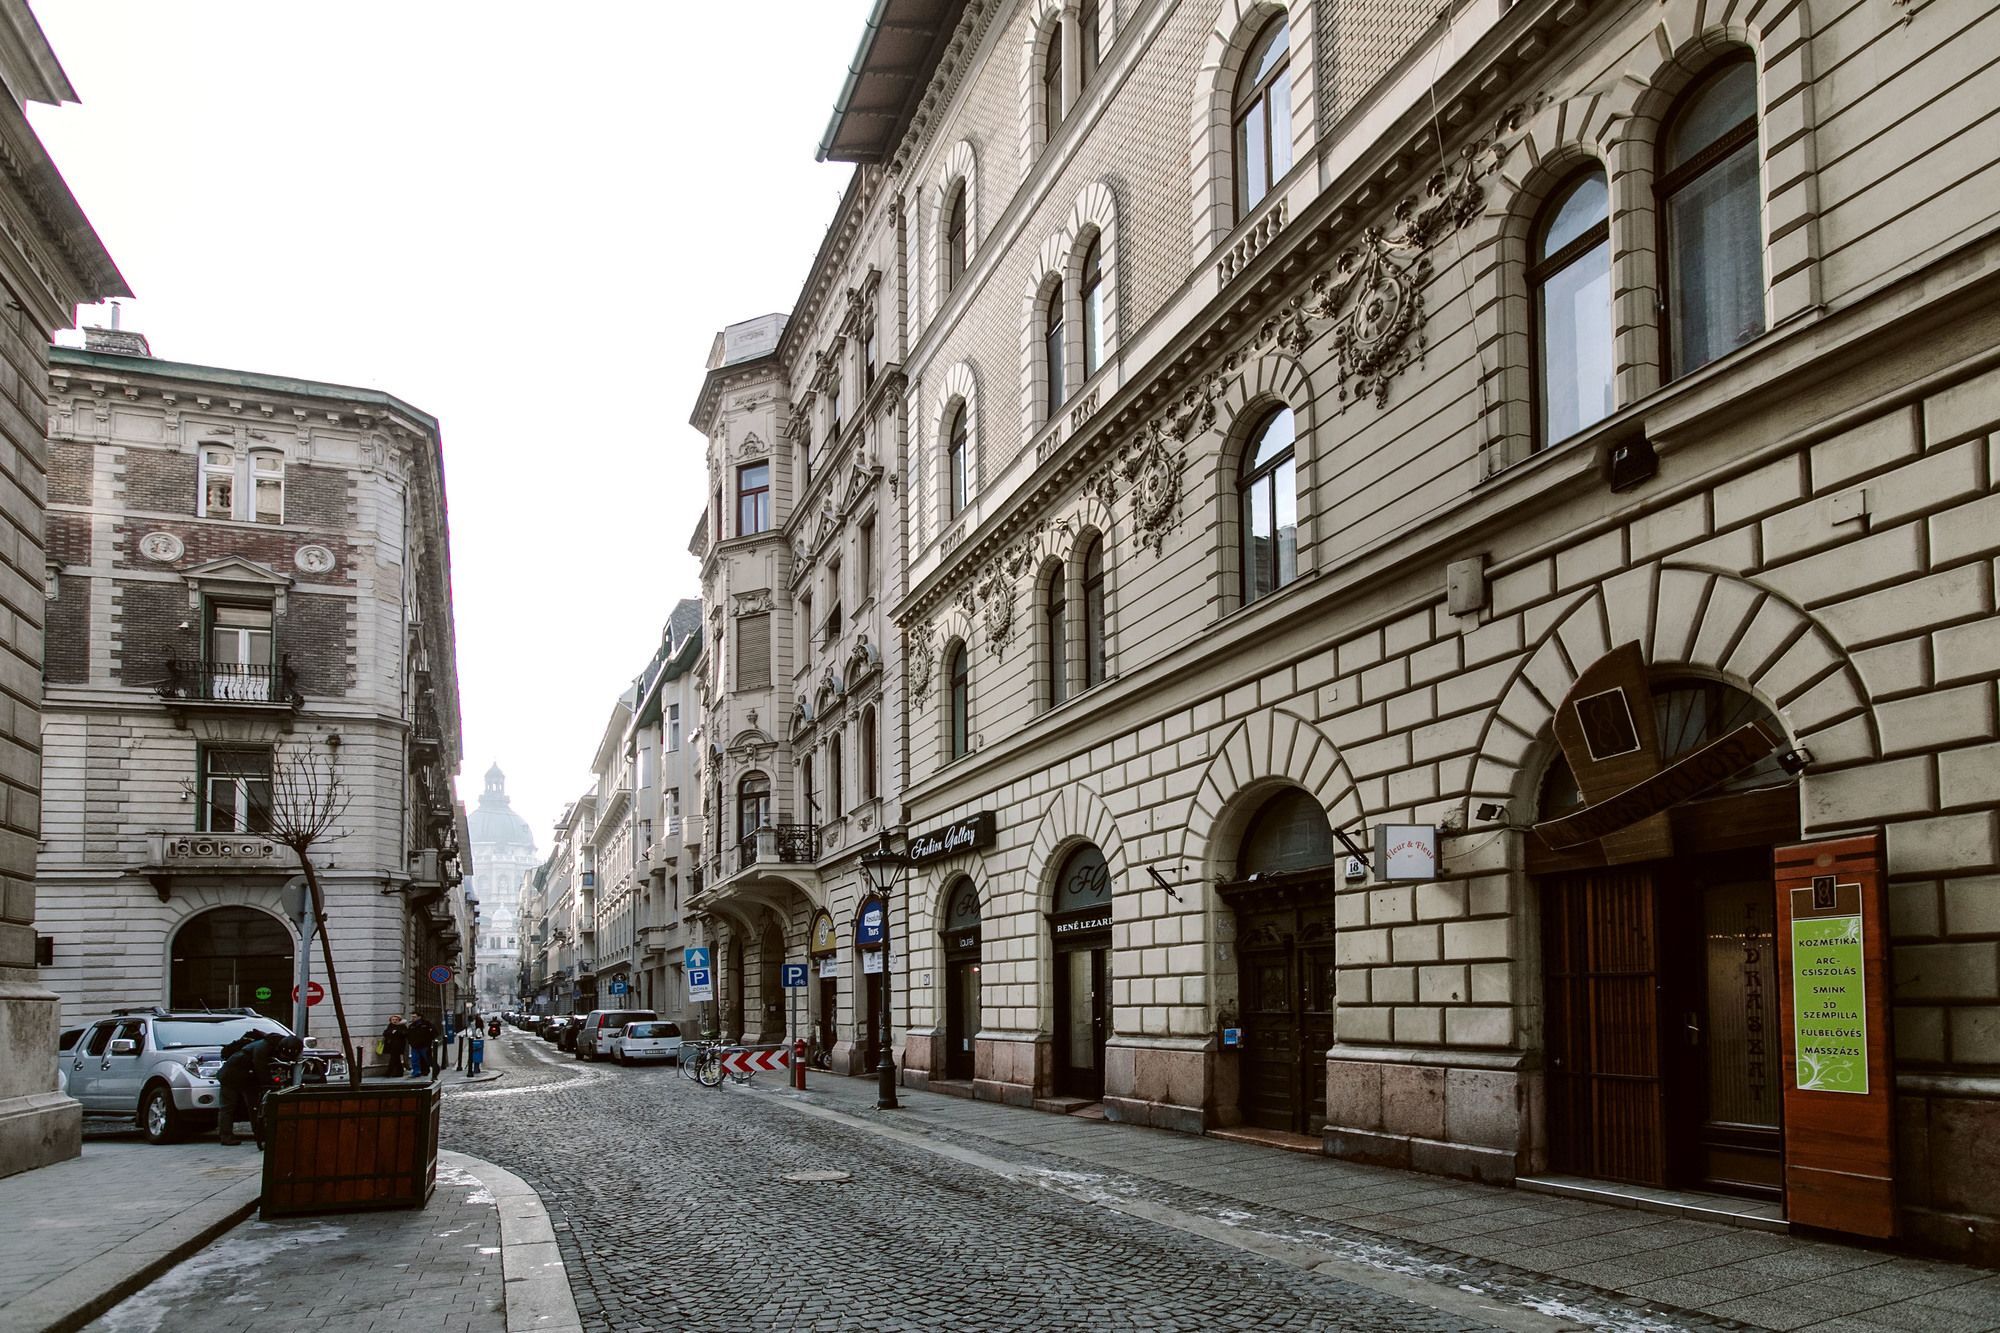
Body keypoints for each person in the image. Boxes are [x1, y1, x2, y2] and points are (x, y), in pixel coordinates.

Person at [215, 1028, 269, 1145]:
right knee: (247, 1107)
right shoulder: (261, 1046)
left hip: (235, 1076)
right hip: (236, 1077)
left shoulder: (255, 1044)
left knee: (229, 1107)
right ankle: (228, 1136)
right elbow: (260, 1066)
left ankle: (226, 1136)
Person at [407, 1012, 438, 1079]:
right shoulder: (412, 1026)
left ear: (419, 1017)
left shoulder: (426, 1024)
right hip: (415, 1046)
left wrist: (429, 1040)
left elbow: (434, 1032)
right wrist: (411, 1042)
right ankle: (416, 1072)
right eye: (412, 1017)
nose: (412, 1018)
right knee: (414, 1059)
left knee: (428, 1059)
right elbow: (408, 1035)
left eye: (414, 1017)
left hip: (424, 1045)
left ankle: (436, 1069)